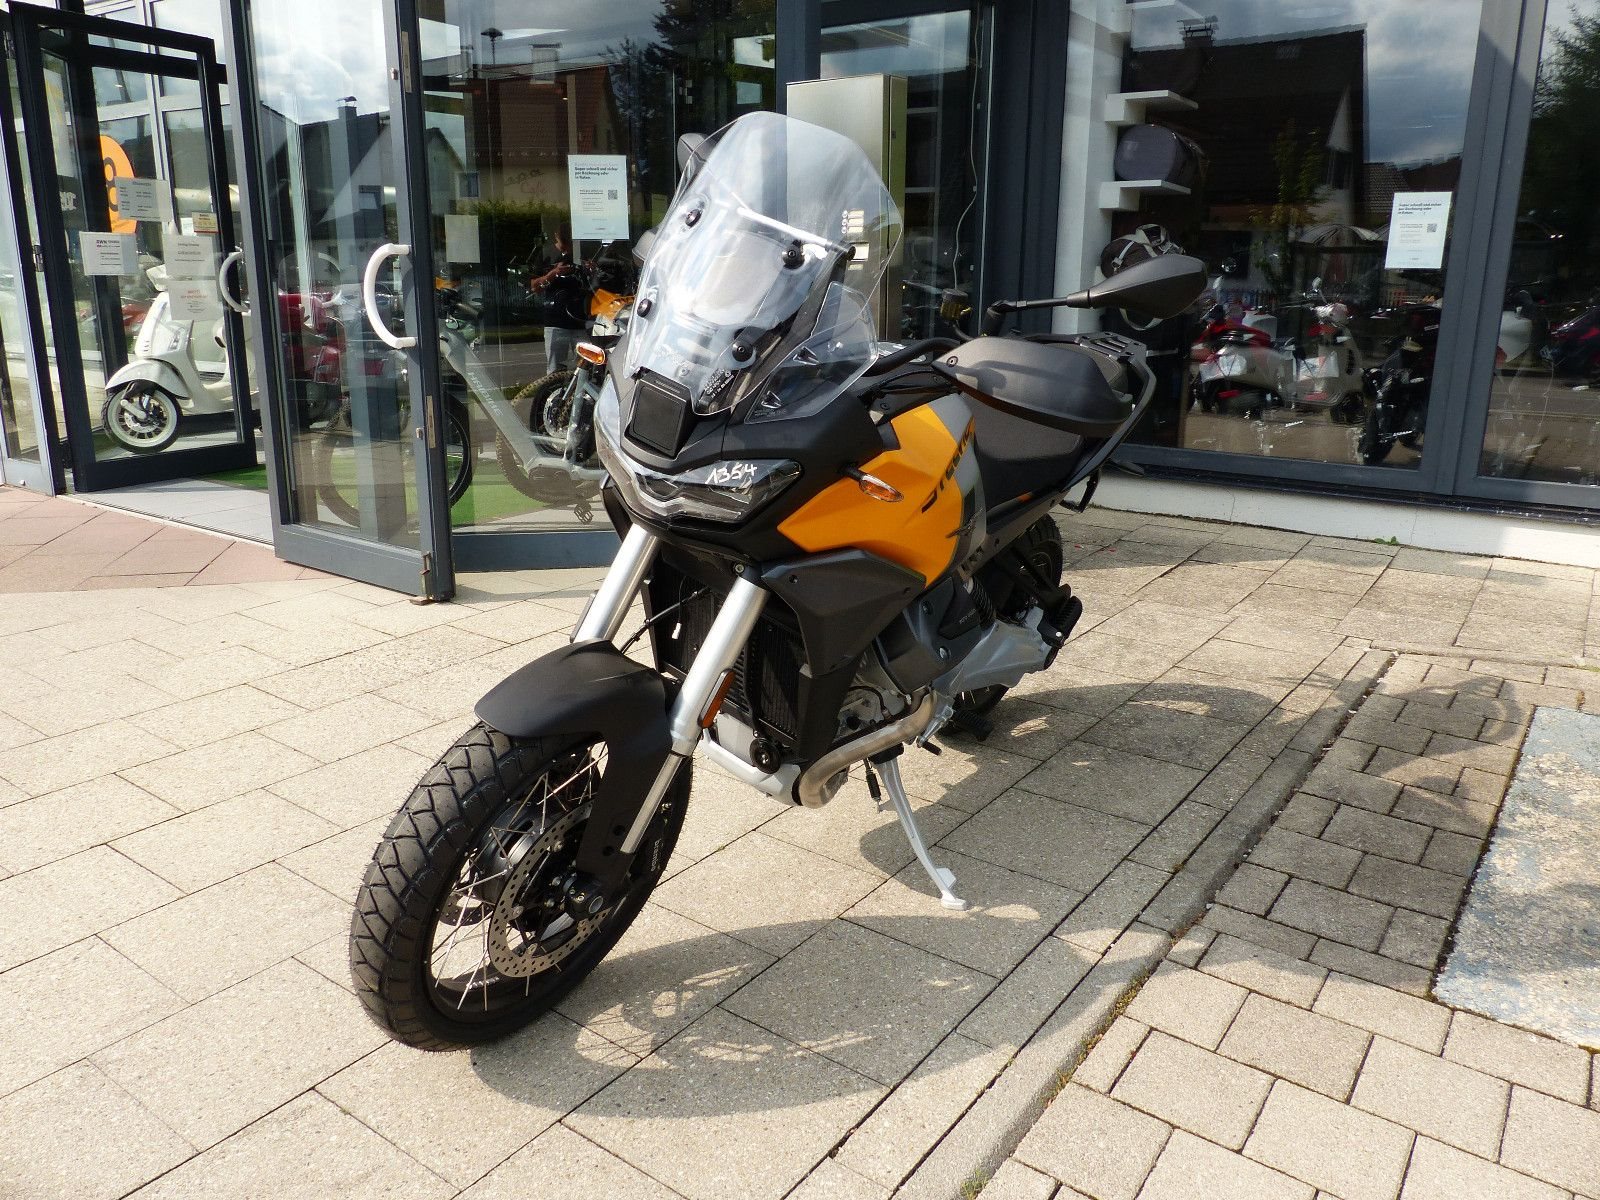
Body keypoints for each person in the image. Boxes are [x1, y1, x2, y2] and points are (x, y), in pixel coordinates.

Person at [530, 225, 588, 372]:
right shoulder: (546, 254)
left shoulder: (579, 254)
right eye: (565, 242)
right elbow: (534, 287)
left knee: (585, 368)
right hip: (555, 320)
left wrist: (589, 270)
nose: (567, 248)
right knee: (555, 369)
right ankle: (556, 387)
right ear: (556, 236)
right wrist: (554, 273)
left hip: (580, 320)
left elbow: (591, 284)